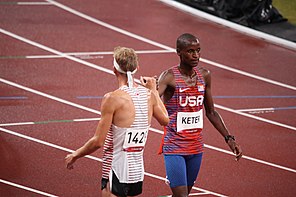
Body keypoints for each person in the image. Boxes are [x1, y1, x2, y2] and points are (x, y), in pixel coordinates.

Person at [65, 46, 169, 197]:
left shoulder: (112, 98)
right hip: (137, 171)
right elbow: (165, 120)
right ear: (137, 68)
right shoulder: (149, 96)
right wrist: (153, 90)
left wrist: (75, 155)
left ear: (114, 68)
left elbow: (98, 141)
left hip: (115, 169)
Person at [157, 33, 243, 197]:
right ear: (179, 52)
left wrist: (229, 139)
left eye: (198, 50)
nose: (196, 55)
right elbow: (152, 101)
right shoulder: (169, 77)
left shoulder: (205, 76)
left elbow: (211, 112)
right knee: (182, 196)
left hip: (196, 147)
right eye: (190, 51)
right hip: (174, 145)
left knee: (184, 195)